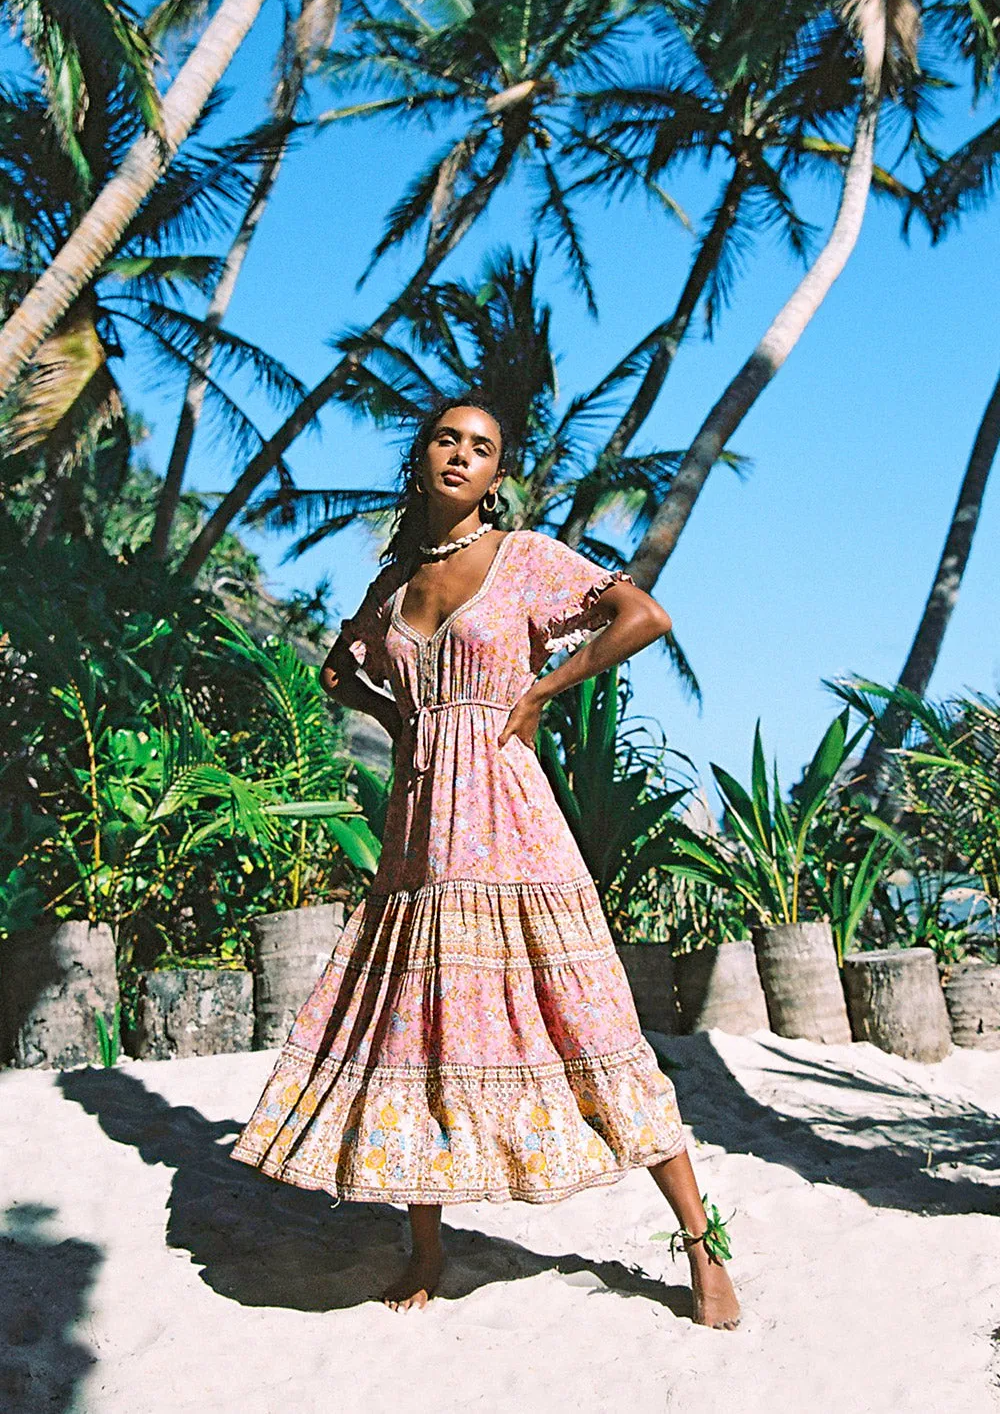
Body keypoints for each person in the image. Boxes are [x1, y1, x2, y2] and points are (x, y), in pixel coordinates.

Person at [231, 399, 740, 1330]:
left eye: (482, 448)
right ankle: (427, 1249)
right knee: (418, 1028)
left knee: (589, 1017)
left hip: (508, 816)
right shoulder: (393, 583)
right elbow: (340, 669)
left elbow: (642, 615)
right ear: (420, 457)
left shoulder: (526, 557)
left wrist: (540, 691)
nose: (461, 456)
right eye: (446, 439)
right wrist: (400, 718)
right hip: (422, 827)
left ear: (497, 476)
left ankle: (704, 1245)